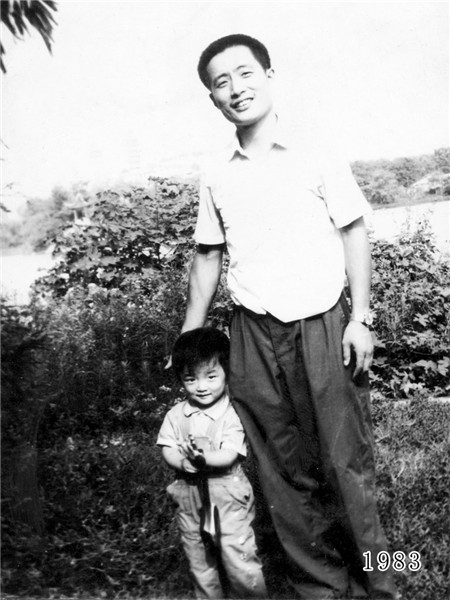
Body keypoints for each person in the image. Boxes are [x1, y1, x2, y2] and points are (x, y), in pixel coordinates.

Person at [176, 33, 398, 600]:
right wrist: (189, 338)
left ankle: (385, 578)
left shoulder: (316, 150)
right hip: (251, 330)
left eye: (245, 74)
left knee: (345, 460)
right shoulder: (216, 173)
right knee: (279, 466)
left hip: (323, 322)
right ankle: (320, 583)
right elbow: (207, 255)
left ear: (269, 76)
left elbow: (354, 231)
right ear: (213, 100)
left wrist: (362, 317)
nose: (236, 88)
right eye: (221, 82)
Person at [157, 327, 267, 599]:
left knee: (238, 556)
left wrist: (203, 458)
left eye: (211, 376)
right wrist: (183, 463)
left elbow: (229, 454)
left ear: (227, 372)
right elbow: (168, 447)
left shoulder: (233, 413)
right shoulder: (176, 414)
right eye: (190, 379)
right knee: (198, 559)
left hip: (226, 495)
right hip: (188, 496)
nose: (201, 386)